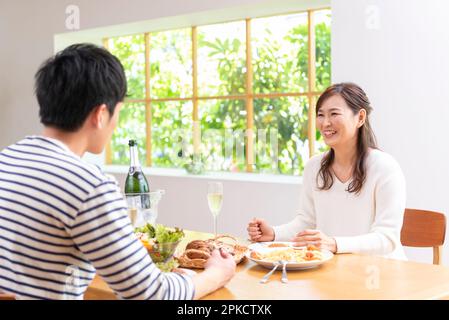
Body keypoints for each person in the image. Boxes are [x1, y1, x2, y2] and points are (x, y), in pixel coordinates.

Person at [0, 43, 235, 300]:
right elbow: (151, 295)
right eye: (118, 112)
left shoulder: (7, 160)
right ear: (101, 114)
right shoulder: (89, 185)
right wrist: (215, 275)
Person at [247, 82, 407, 260]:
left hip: (381, 274)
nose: (325, 123)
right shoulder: (314, 167)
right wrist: (273, 234)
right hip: (337, 270)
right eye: (320, 115)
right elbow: (307, 222)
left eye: (334, 114)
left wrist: (334, 244)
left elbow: (387, 238)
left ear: (360, 117)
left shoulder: (384, 167)